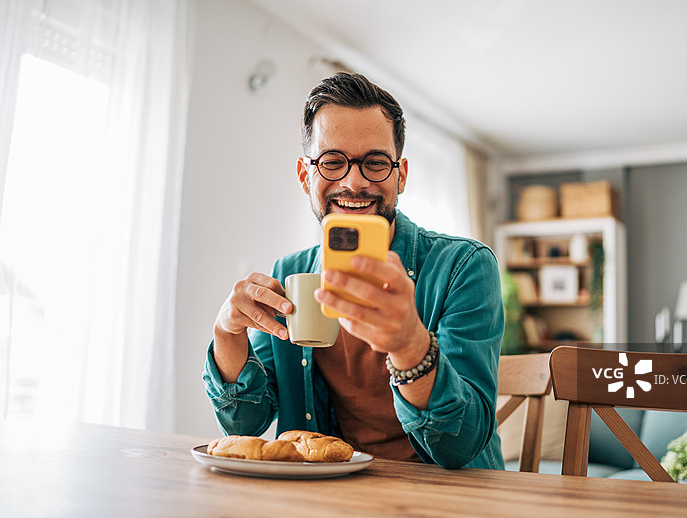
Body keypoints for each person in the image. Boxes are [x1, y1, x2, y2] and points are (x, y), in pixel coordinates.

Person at [203, 72, 504, 469]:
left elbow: (460, 446)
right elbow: (246, 421)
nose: (354, 181)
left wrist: (412, 347)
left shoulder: (463, 267)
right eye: (332, 162)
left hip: (444, 498)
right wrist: (228, 333)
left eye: (376, 163)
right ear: (304, 175)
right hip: (326, 496)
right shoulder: (290, 274)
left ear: (401, 175)